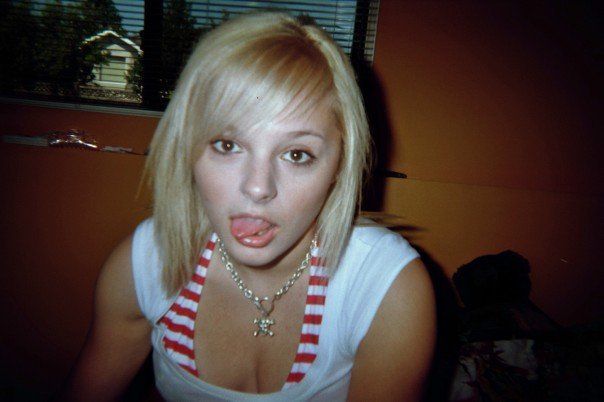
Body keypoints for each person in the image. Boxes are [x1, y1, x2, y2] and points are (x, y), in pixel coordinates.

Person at [62, 12, 435, 402]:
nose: (257, 188)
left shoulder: (382, 288)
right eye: (228, 145)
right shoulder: (147, 264)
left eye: (297, 154)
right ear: (188, 147)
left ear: (340, 166)